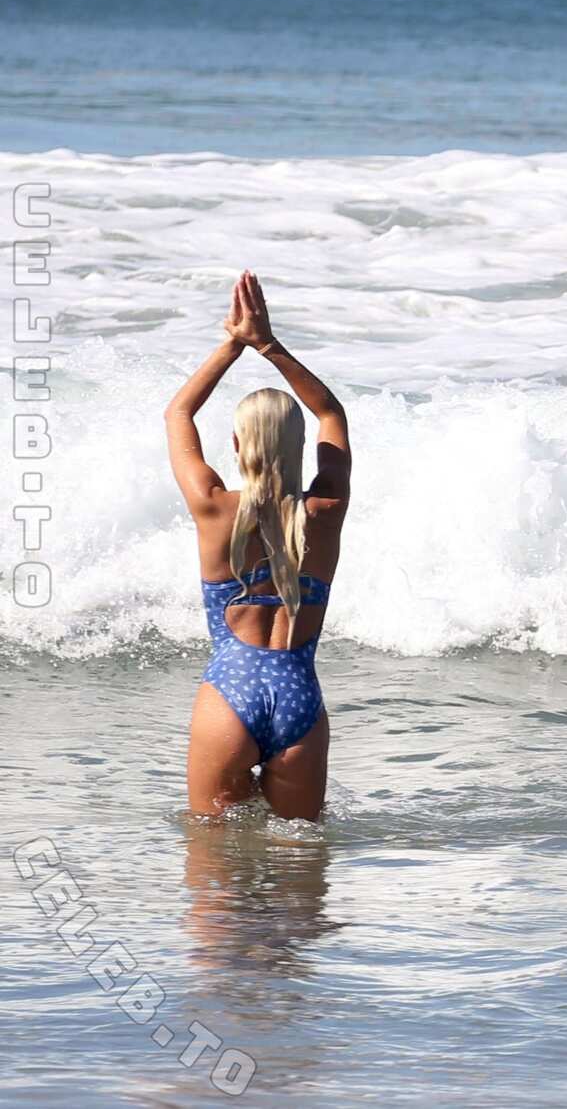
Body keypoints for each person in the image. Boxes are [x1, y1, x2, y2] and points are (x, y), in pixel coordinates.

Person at [165, 271, 350, 820]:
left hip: (230, 694)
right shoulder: (325, 510)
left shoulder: (213, 506)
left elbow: (178, 414)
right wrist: (269, 346)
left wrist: (233, 344)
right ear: (301, 446)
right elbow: (331, 413)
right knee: (300, 861)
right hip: (299, 698)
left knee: (212, 858)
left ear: (236, 444)